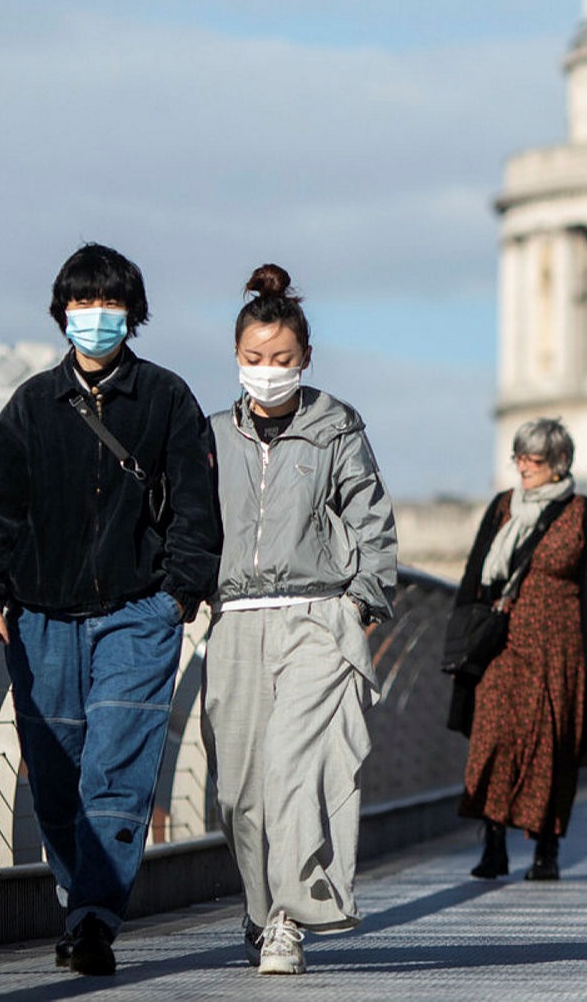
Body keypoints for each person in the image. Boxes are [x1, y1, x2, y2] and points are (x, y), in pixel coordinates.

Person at [0, 243, 220, 977]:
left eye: (108, 303)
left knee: (116, 771)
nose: (94, 316)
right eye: (81, 303)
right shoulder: (30, 406)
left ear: (132, 313)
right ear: (61, 312)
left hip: (138, 611)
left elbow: (196, 508)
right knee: (55, 777)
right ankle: (79, 905)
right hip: (39, 617)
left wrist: (178, 595)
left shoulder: (166, 398)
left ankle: (96, 920)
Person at [202, 265, 399, 976]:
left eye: (282, 358)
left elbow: (372, 519)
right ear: (236, 356)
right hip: (235, 620)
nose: (268, 371)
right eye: (255, 358)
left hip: (317, 616)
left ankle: (289, 920)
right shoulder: (210, 436)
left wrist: (362, 600)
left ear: (306, 358)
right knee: (239, 793)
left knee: (296, 773)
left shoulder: (336, 426)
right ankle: (260, 911)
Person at [449, 417, 587, 881]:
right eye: (519, 457)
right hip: (503, 645)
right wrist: (462, 636)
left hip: (560, 650)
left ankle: (546, 849)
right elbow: (474, 574)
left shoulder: (585, 514)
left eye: (534, 459)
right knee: (492, 739)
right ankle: (493, 845)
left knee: (551, 746)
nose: (523, 466)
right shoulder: (502, 508)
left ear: (560, 462)